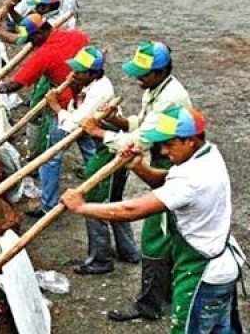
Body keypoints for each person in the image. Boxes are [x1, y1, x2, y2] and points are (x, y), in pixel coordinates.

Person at [62, 106, 246, 334]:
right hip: (220, 266)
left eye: (169, 144)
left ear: (189, 141)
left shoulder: (194, 179)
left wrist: (82, 207)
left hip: (204, 274)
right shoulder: (207, 154)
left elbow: (132, 209)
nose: (164, 152)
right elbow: (165, 180)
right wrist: (139, 166)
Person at [81, 41, 193, 322]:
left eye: (143, 74)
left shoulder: (171, 98)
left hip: (172, 164)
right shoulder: (157, 89)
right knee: (170, 232)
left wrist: (98, 133)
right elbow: (142, 125)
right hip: (165, 158)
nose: (137, 79)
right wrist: (118, 122)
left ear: (160, 71)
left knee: (155, 236)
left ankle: (149, 305)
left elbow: (139, 142)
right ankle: (166, 293)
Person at [0, 13, 89, 217]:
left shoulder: (44, 55)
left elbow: (15, 84)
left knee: (50, 157)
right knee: (88, 142)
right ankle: (100, 185)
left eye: (33, 39)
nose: (30, 44)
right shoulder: (76, 36)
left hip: (66, 107)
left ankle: (48, 206)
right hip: (89, 101)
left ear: (42, 32)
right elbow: (18, 39)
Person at [56, 46, 140, 274]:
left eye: (79, 72)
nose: (74, 75)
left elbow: (74, 125)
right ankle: (128, 250)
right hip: (108, 149)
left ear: (93, 74)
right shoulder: (90, 86)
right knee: (114, 199)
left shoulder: (99, 93)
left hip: (110, 151)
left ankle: (100, 259)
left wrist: (56, 107)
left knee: (93, 200)